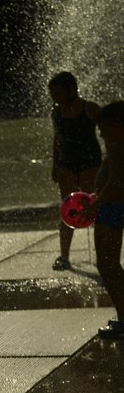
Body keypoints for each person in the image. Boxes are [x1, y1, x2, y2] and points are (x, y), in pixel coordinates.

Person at [48, 72, 103, 271]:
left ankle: (102, 254)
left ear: (72, 90)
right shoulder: (56, 111)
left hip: (90, 165)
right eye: (51, 93)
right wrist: (55, 165)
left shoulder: (89, 108)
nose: (54, 97)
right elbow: (57, 140)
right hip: (67, 166)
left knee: (94, 209)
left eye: (57, 92)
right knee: (66, 210)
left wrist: (111, 161)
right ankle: (64, 256)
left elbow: (109, 130)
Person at [85, 101, 124, 340]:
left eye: (104, 127)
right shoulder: (116, 144)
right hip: (112, 205)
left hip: (112, 208)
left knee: (107, 265)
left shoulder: (118, 144)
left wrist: (95, 203)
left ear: (119, 125)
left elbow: (118, 182)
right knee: (111, 265)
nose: (100, 133)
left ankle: (123, 319)